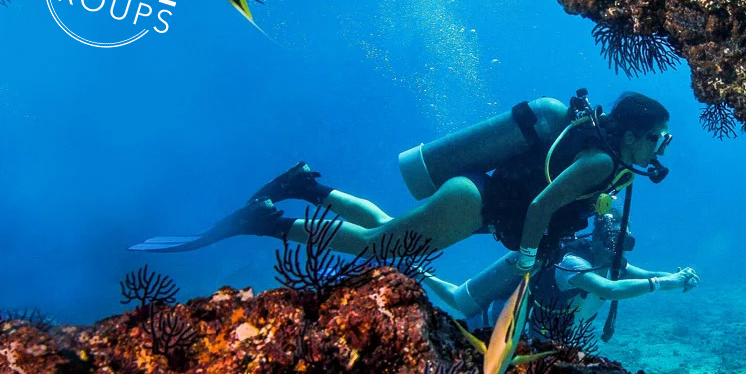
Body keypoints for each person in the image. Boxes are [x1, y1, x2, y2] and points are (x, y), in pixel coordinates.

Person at [130, 92, 674, 273]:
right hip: (474, 204)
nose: (658, 149)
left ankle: (308, 187)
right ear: (633, 133)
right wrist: (529, 264)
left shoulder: (604, 157)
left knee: (387, 231)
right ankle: (267, 223)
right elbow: (538, 207)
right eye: (657, 138)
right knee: (378, 248)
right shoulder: (601, 160)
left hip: (472, 196)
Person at [420, 209, 700, 333]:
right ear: (596, 239)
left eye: (625, 244)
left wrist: (678, 277)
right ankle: (421, 274)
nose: (619, 252)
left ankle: (421, 274)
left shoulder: (614, 262)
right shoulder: (572, 263)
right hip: (503, 322)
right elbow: (609, 290)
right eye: (612, 244)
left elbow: (645, 273)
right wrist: (665, 283)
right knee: (454, 314)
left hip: (544, 334)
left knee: (456, 309)